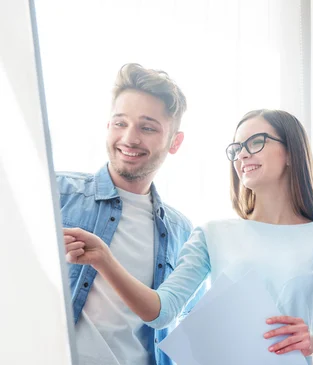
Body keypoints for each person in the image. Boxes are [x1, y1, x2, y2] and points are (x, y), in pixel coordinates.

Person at [64, 109, 313, 364]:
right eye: (237, 148)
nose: (243, 154)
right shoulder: (213, 234)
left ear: (292, 152)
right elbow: (161, 313)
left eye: (256, 142)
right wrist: (104, 259)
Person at [57, 63, 202, 365]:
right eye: (120, 123)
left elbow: (188, 325)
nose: (130, 138)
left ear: (175, 142)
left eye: (147, 128)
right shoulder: (56, 193)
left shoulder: (183, 232)